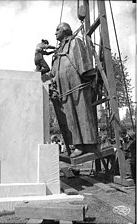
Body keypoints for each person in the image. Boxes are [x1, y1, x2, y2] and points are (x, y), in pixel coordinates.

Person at [48, 22, 98, 158]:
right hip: (64, 88)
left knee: (82, 112)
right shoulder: (58, 51)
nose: (55, 33)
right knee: (70, 117)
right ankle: (78, 145)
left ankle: (89, 144)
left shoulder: (75, 42)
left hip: (77, 84)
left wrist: (87, 75)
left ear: (65, 30)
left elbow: (83, 60)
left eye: (57, 29)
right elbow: (53, 72)